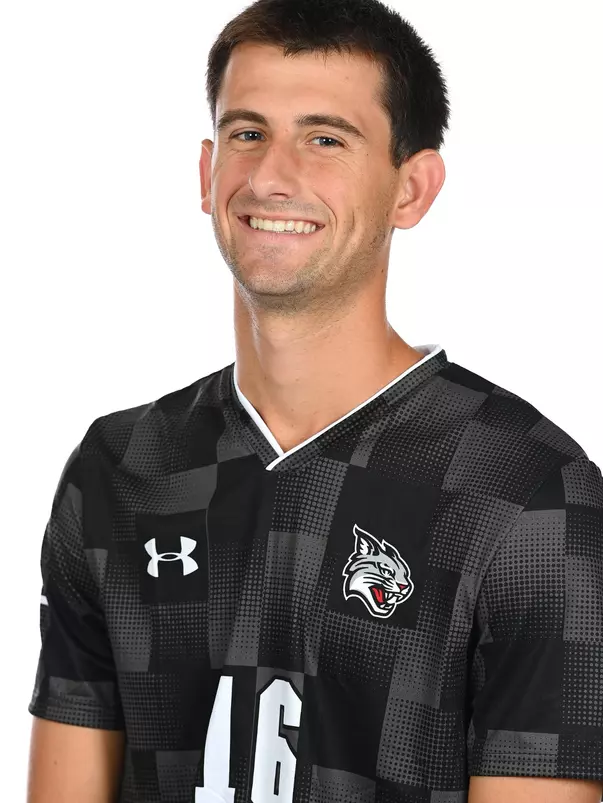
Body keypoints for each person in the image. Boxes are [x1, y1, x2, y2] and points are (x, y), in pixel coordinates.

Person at [27, 0, 603, 801]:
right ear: (205, 171)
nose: (270, 175)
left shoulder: (528, 491)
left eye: (325, 138)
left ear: (411, 188)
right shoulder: (121, 467)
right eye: (246, 133)